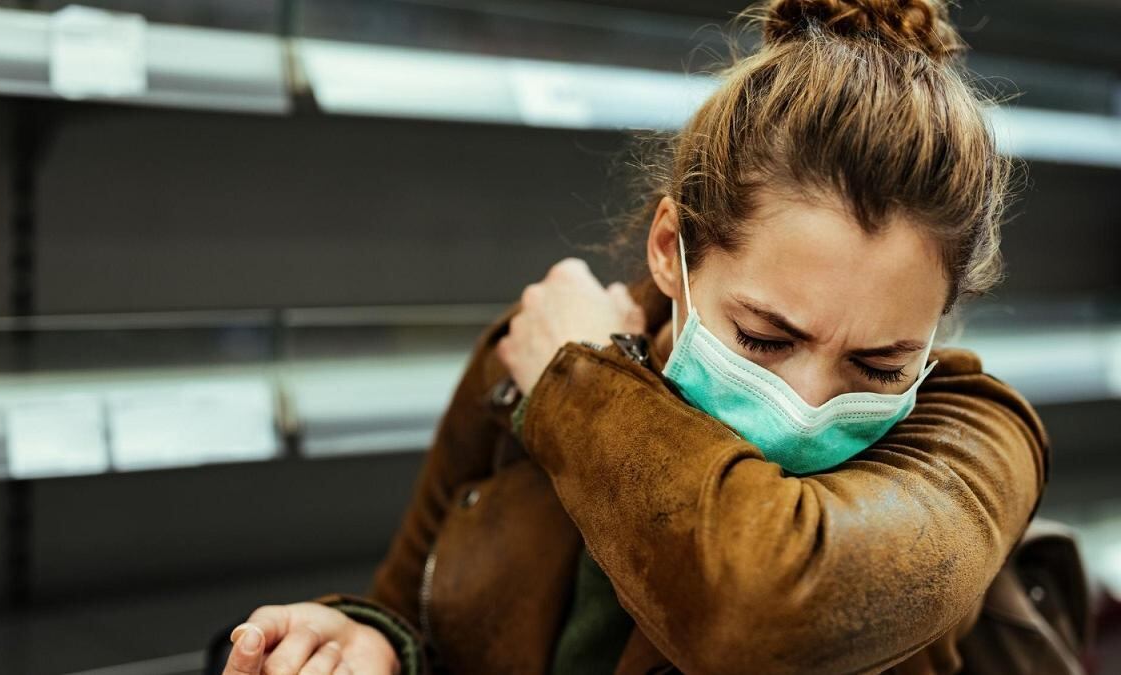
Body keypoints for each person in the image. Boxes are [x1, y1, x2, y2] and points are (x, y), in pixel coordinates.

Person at [219, 0, 1054, 672]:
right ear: (670, 250)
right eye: (763, 338)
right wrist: (376, 647)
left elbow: (757, 615)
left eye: (878, 363)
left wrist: (579, 387)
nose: (805, 404)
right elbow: (411, 604)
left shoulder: (976, 441)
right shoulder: (524, 360)